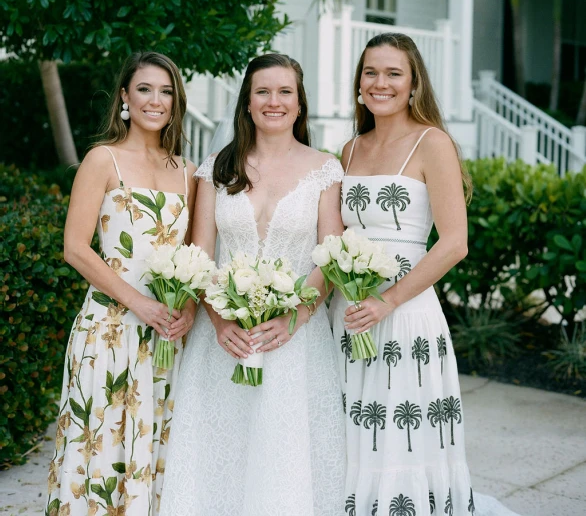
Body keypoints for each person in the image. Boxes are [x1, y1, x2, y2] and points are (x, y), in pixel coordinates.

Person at [331, 33, 520, 516]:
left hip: (405, 312)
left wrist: (387, 301)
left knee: (400, 432)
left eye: (394, 73)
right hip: (348, 313)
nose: (381, 83)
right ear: (358, 83)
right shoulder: (349, 150)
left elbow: (454, 242)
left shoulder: (432, 142)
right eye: (371, 72)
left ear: (414, 83)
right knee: (353, 428)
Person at [159, 53, 346, 516]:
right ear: (246, 102)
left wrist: (294, 318)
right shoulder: (217, 168)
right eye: (262, 91)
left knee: (284, 460)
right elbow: (199, 255)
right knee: (219, 453)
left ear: (300, 104)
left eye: (285, 92)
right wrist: (221, 324)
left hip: (295, 341)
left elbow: (330, 257)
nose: (273, 101)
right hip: (223, 340)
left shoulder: (325, 169)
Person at [46, 52, 196, 516]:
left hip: (168, 337)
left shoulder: (188, 173)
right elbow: (76, 248)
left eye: (166, 91)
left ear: (176, 101)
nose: (156, 100)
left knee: (156, 445)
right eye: (145, 89)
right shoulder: (102, 158)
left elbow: (194, 256)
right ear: (125, 97)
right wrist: (138, 303)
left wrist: (183, 310)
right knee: (100, 447)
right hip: (109, 328)